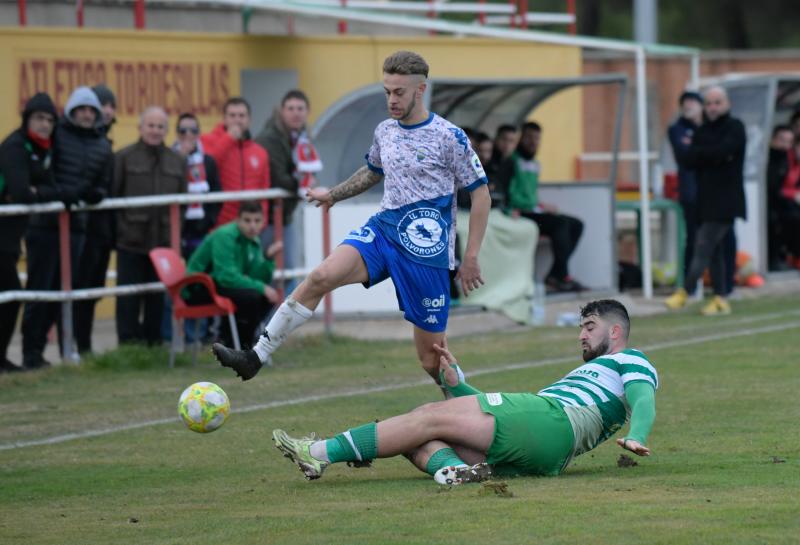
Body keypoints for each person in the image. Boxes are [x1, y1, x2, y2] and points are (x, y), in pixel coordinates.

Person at [213, 50, 491, 385]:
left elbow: (481, 194)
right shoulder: (385, 130)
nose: (391, 99)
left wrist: (471, 256)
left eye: (399, 92)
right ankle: (255, 356)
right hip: (384, 232)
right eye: (387, 91)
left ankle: (471, 413)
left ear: (420, 90)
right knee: (320, 276)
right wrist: (333, 194)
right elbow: (373, 172)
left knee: (431, 357)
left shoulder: (449, 137)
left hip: (425, 251)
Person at [272, 299, 657, 485]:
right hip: (547, 449)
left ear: (616, 331)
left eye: (590, 326)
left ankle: (318, 452)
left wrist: (637, 435)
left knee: (422, 416)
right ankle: (451, 472)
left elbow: (643, 397)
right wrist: (456, 384)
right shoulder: (590, 376)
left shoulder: (631, 359)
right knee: (416, 434)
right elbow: (492, 422)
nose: (582, 335)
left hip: (555, 419)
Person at [21, 86, 111, 368]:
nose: (86, 114)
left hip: (77, 229)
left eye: (91, 110)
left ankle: (66, 351)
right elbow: (42, 174)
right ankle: (31, 353)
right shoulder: (56, 136)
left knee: (67, 293)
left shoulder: (103, 145)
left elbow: (103, 183)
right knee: (40, 290)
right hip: (46, 226)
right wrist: (65, 192)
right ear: (71, 112)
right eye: (81, 109)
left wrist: (96, 193)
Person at [665, 86, 746, 315]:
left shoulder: (735, 127)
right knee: (715, 251)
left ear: (727, 103)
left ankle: (685, 291)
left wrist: (705, 154)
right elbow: (688, 159)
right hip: (705, 200)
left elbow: (725, 150)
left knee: (703, 245)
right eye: (709, 103)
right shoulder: (702, 131)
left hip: (727, 200)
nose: (712, 107)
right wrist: (711, 155)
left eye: (717, 102)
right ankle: (720, 299)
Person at [0, 93, 63, 372]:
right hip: (3, 238)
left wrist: (37, 191)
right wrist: (34, 192)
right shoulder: (15, 147)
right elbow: (21, 192)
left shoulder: (43, 148)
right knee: (11, 295)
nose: (44, 124)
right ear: (27, 119)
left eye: (50, 119)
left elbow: (50, 188)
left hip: (10, 239)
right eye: (39, 118)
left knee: (11, 297)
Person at [113, 106, 186, 345]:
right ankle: (128, 345)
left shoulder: (178, 161)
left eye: (160, 126)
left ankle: (153, 344)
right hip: (130, 241)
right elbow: (113, 198)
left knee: (156, 296)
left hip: (162, 243)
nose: (155, 131)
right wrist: (120, 231)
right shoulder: (123, 158)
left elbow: (183, 203)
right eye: (151, 125)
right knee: (128, 298)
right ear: (140, 127)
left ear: (166, 130)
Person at [499, 122, 585, 292]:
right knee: (560, 224)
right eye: (529, 137)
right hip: (519, 213)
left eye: (536, 138)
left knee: (576, 224)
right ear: (521, 138)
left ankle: (556, 273)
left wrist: (541, 205)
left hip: (533, 210)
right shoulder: (511, 161)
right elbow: (504, 192)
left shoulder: (535, 164)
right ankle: (561, 275)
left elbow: (529, 192)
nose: (533, 142)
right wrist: (511, 208)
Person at [186, 201, 282, 346]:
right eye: (247, 220)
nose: (252, 226)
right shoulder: (225, 235)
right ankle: (240, 344)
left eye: (257, 221)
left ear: (263, 222)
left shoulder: (252, 240)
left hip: (221, 285)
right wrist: (262, 287)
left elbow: (256, 278)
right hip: (198, 287)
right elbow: (225, 277)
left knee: (267, 298)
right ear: (237, 220)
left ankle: (236, 342)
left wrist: (268, 259)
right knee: (253, 296)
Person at [255, 89, 320, 292]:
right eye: (290, 108)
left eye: (300, 108)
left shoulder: (301, 137)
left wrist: (305, 181)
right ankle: (268, 323)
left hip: (284, 216)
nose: (296, 113)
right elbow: (278, 178)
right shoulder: (269, 138)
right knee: (269, 272)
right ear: (281, 111)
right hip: (264, 217)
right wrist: (304, 184)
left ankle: (277, 321)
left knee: (287, 271)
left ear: (307, 111)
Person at [73, 84, 118, 353]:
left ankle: (83, 347)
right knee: (77, 293)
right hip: (82, 230)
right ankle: (77, 347)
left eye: (110, 105)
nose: (106, 110)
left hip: (101, 231)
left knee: (91, 293)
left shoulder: (105, 144)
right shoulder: (80, 142)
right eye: (102, 105)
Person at [200, 97, 270, 228]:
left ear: (249, 120)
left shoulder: (260, 152)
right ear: (224, 119)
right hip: (220, 223)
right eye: (232, 115)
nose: (237, 120)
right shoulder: (207, 140)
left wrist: (263, 220)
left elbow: (264, 191)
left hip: (250, 224)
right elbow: (207, 168)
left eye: (242, 116)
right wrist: (228, 139)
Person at [766, 125, 795, 270]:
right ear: (772, 139)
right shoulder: (766, 157)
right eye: (781, 140)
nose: (785, 145)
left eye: (789, 141)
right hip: (767, 205)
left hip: (781, 203)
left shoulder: (788, 158)